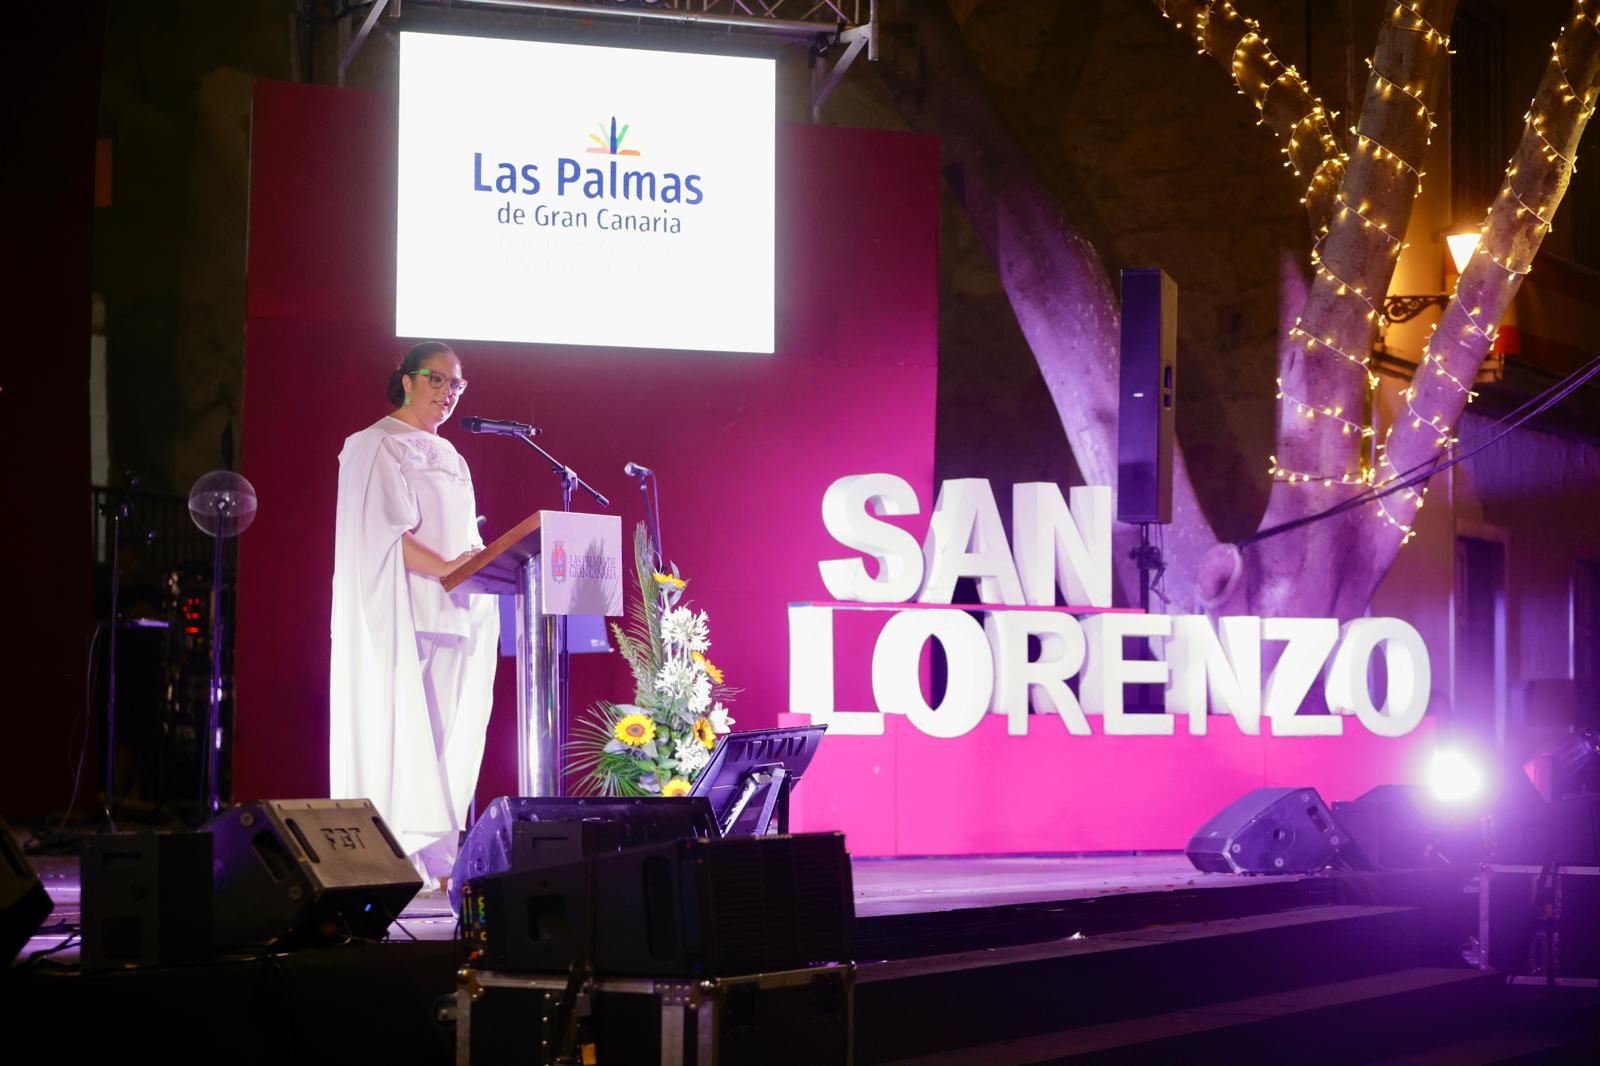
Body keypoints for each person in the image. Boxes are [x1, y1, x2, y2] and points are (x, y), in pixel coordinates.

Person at [329, 341, 500, 890]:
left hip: (454, 614)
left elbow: (465, 540)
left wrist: (477, 564)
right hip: (405, 614)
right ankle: (391, 859)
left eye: (457, 384)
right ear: (406, 380)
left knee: (445, 740)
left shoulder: (452, 455)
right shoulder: (375, 443)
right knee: (404, 735)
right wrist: (447, 565)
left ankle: (435, 860)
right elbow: (381, 532)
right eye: (437, 379)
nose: (448, 392)